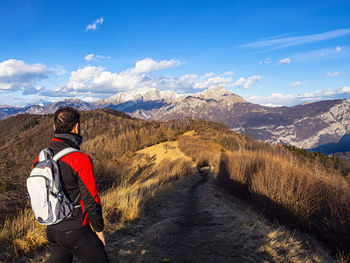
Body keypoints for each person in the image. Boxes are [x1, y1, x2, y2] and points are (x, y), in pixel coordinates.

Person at [33, 106, 109, 263]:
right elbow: (91, 199)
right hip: (76, 230)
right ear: (76, 127)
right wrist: (99, 229)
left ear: (54, 127)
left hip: (52, 229)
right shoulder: (80, 160)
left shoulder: (41, 158)